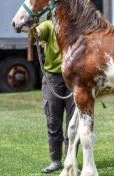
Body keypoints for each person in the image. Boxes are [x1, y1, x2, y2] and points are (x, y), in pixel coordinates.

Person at [36, 20, 75, 173]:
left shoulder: (74, 24)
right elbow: (38, 32)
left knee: (73, 124)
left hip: (73, 77)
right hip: (53, 78)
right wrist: (33, 29)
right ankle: (55, 161)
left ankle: (70, 162)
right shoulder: (48, 25)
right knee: (53, 121)